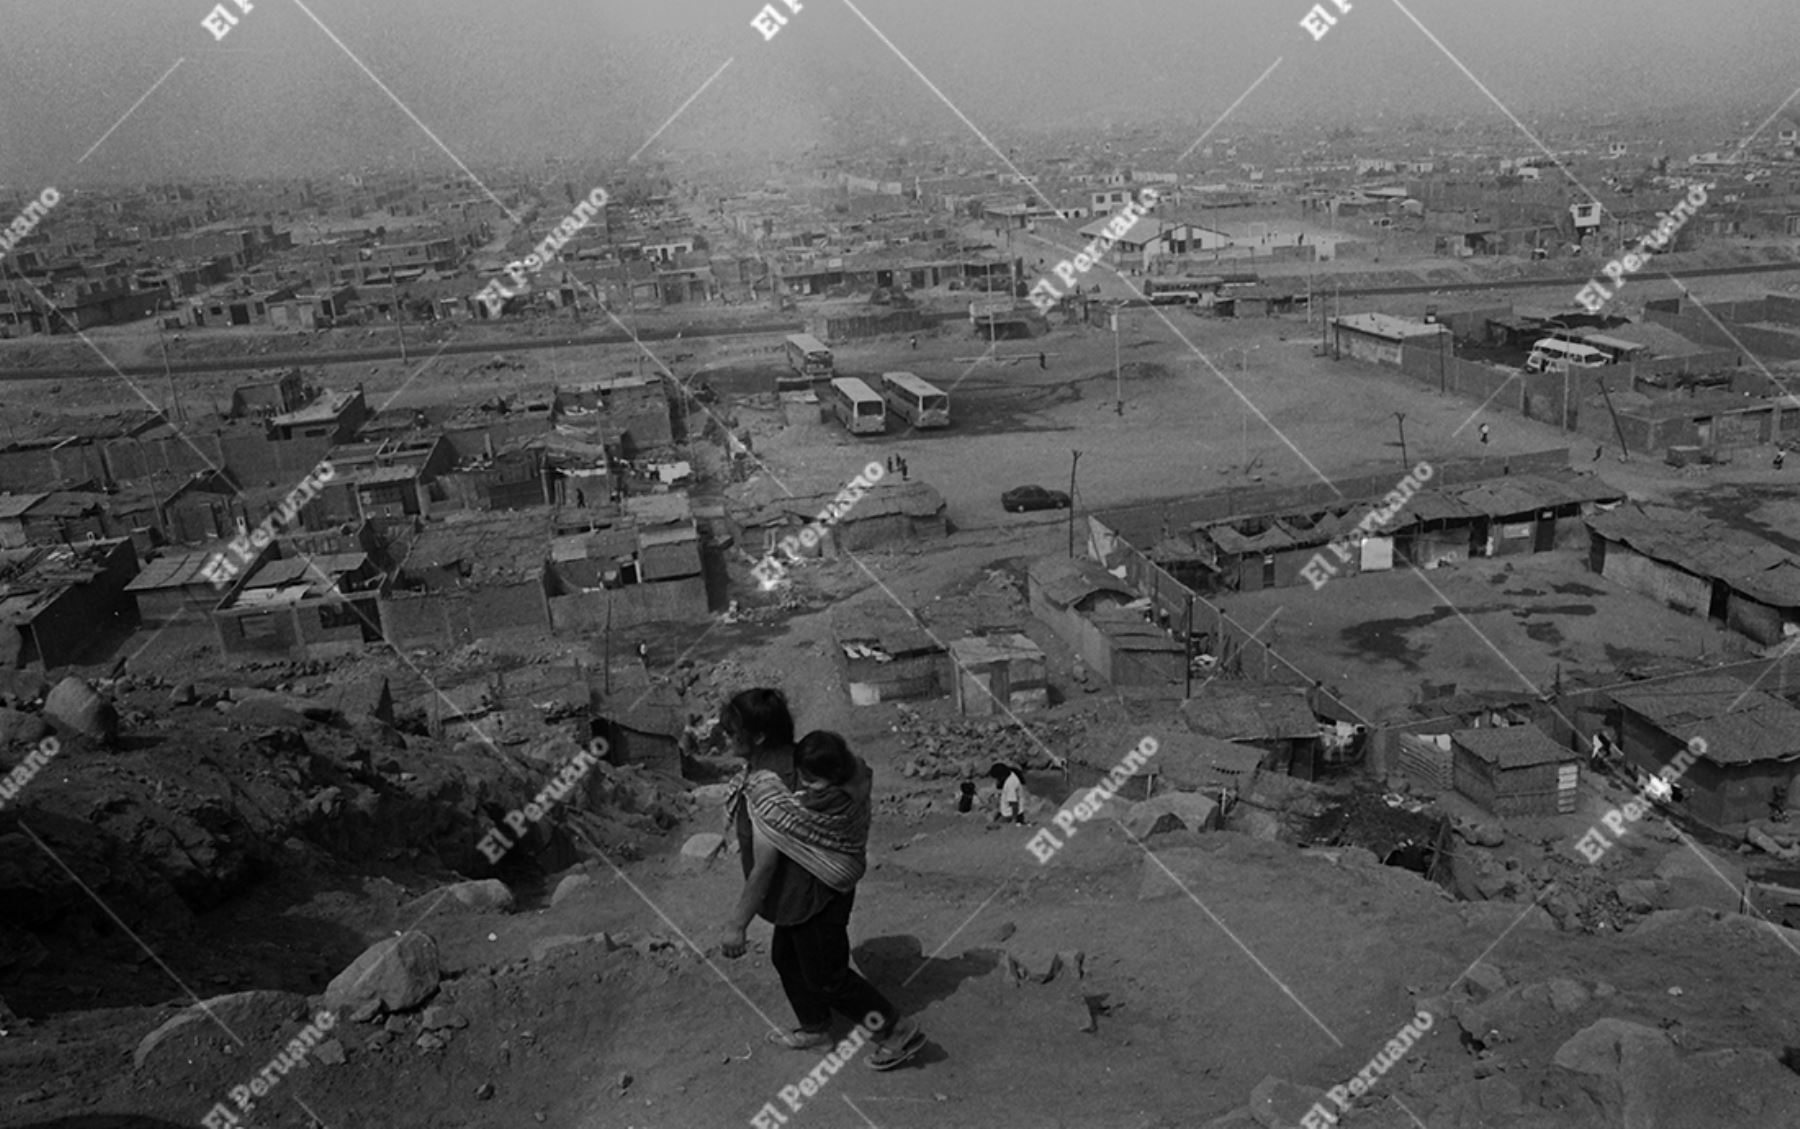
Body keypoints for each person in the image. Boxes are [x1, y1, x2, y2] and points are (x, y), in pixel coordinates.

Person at [719, 696, 924, 1070]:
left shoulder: (772, 785)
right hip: (798, 897)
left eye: (732, 732)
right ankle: (815, 1027)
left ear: (760, 736)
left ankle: (897, 1031)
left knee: (829, 978)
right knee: (786, 957)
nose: (726, 738)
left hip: (813, 897)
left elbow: (765, 865)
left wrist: (737, 925)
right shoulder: (807, 759)